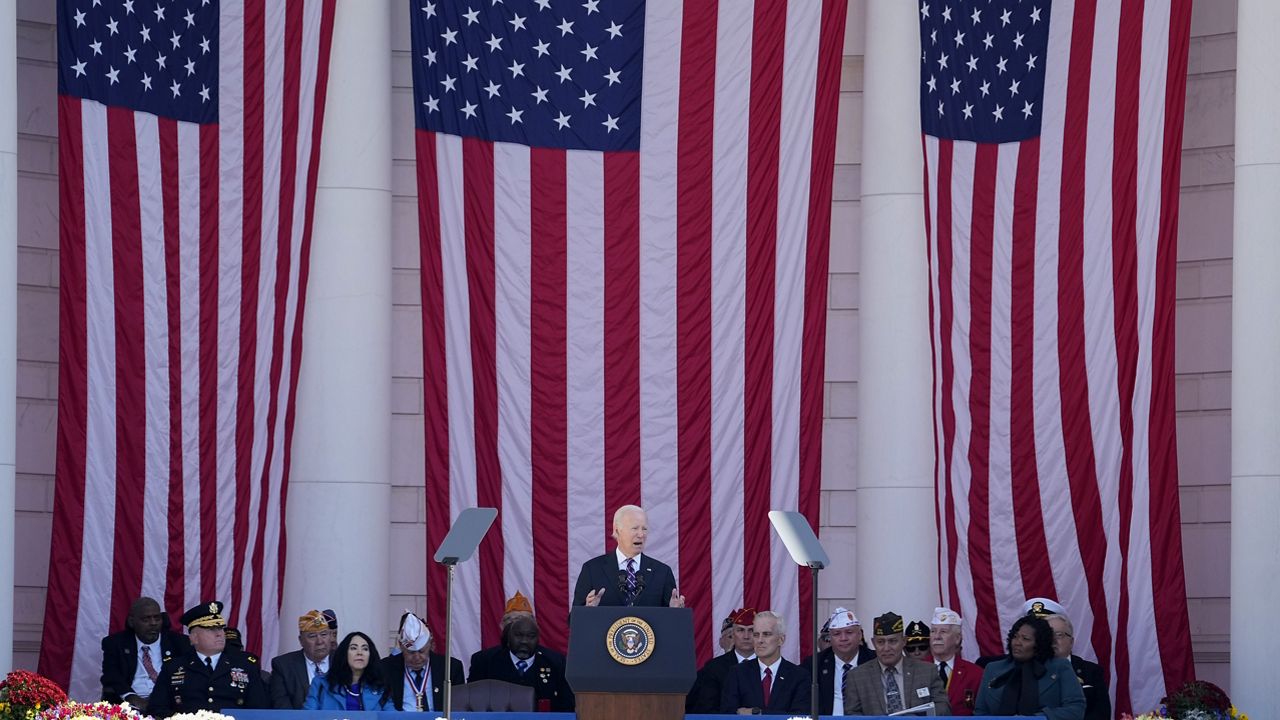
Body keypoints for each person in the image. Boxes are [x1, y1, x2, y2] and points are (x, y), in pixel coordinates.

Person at [146, 601, 268, 717]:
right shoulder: (173, 667)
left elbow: (259, 710)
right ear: (194, 638)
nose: (219, 633)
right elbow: (157, 709)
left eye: (220, 628)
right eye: (211, 629)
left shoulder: (245, 666)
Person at [974, 615, 1085, 719]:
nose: (1017, 643)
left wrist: (1038, 719)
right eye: (1015, 637)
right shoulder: (993, 668)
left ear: (1040, 643)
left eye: (1025, 639)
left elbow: (1075, 709)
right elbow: (980, 712)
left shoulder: (1059, 667)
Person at [572, 505, 684, 607]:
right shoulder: (592, 570)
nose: (641, 535)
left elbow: (673, 623)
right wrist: (587, 610)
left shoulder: (662, 572)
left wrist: (676, 612)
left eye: (644, 529)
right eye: (635, 528)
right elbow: (574, 621)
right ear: (617, 530)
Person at [843, 612, 949, 716]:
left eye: (893, 641)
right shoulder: (857, 676)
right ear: (873, 642)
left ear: (904, 641)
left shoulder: (927, 671)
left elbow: (944, 708)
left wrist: (918, 718)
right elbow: (851, 714)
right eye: (880, 642)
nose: (886, 648)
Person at [468, 613, 575, 711]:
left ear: (538, 639)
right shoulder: (484, 661)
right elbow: (471, 701)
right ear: (508, 637)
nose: (524, 641)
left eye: (530, 636)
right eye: (518, 635)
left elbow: (567, 704)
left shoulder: (555, 662)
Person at [100, 597, 190, 711]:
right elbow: (111, 676)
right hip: (130, 704)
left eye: (157, 618)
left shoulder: (180, 643)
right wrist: (131, 697)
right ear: (132, 622)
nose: (153, 623)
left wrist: (159, 699)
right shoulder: (115, 644)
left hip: (169, 702)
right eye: (146, 619)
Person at [720, 611, 811, 715]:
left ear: (781, 640)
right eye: (756, 635)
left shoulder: (799, 676)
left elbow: (800, 716)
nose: (760, 640)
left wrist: (757, 713)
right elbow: (727, 713)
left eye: (766, 634)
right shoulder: (737, 673)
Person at [381, 612, 464, 712]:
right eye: (411, 653)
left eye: (421, 651)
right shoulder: (386, 668)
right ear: (401, 646)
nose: (417, 657)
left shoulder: (450, 668)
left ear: (430, 644)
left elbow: (459, 709)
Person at [800, 606, 875, 715]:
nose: (843, 638)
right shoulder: (814, 665)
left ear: (860, 635)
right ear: (830, 637)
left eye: (849, 632)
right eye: (837, 634)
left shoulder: (874, 660)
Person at [687, 608, 758, 713]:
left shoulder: (768, 665)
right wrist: (736, 714)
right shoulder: (714, 668)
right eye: (741, 630)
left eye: (751, 630)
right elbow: (706, 709)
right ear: (733, 635)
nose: (746, 636)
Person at [303, 631, 390, 711]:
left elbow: (393, 717)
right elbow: (307, 716)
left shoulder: (380, 688)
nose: (360, 652)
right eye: (353, 648)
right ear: (344, 653)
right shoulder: (320, 684)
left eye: (365, 649)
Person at [1045, 614, 1110, 720]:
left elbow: (1102, 713)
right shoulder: (1032, 670)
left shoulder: (1091, 671)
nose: (1053, 640)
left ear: (1071, 642)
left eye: (1059, 635)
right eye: (1048, 634)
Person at [269, 610, 334, 709]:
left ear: (330, 637)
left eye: (324, 634)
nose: (320, 641)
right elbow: (282, 707)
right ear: (301, 640)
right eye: (312, 636)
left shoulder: (344, 661)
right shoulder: (283, 666)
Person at [929, 607, 983, 716]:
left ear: (957, 638)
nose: (937, 636)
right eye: (933, 631)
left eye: (943, 631)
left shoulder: (975, 674)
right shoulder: (916, 670)